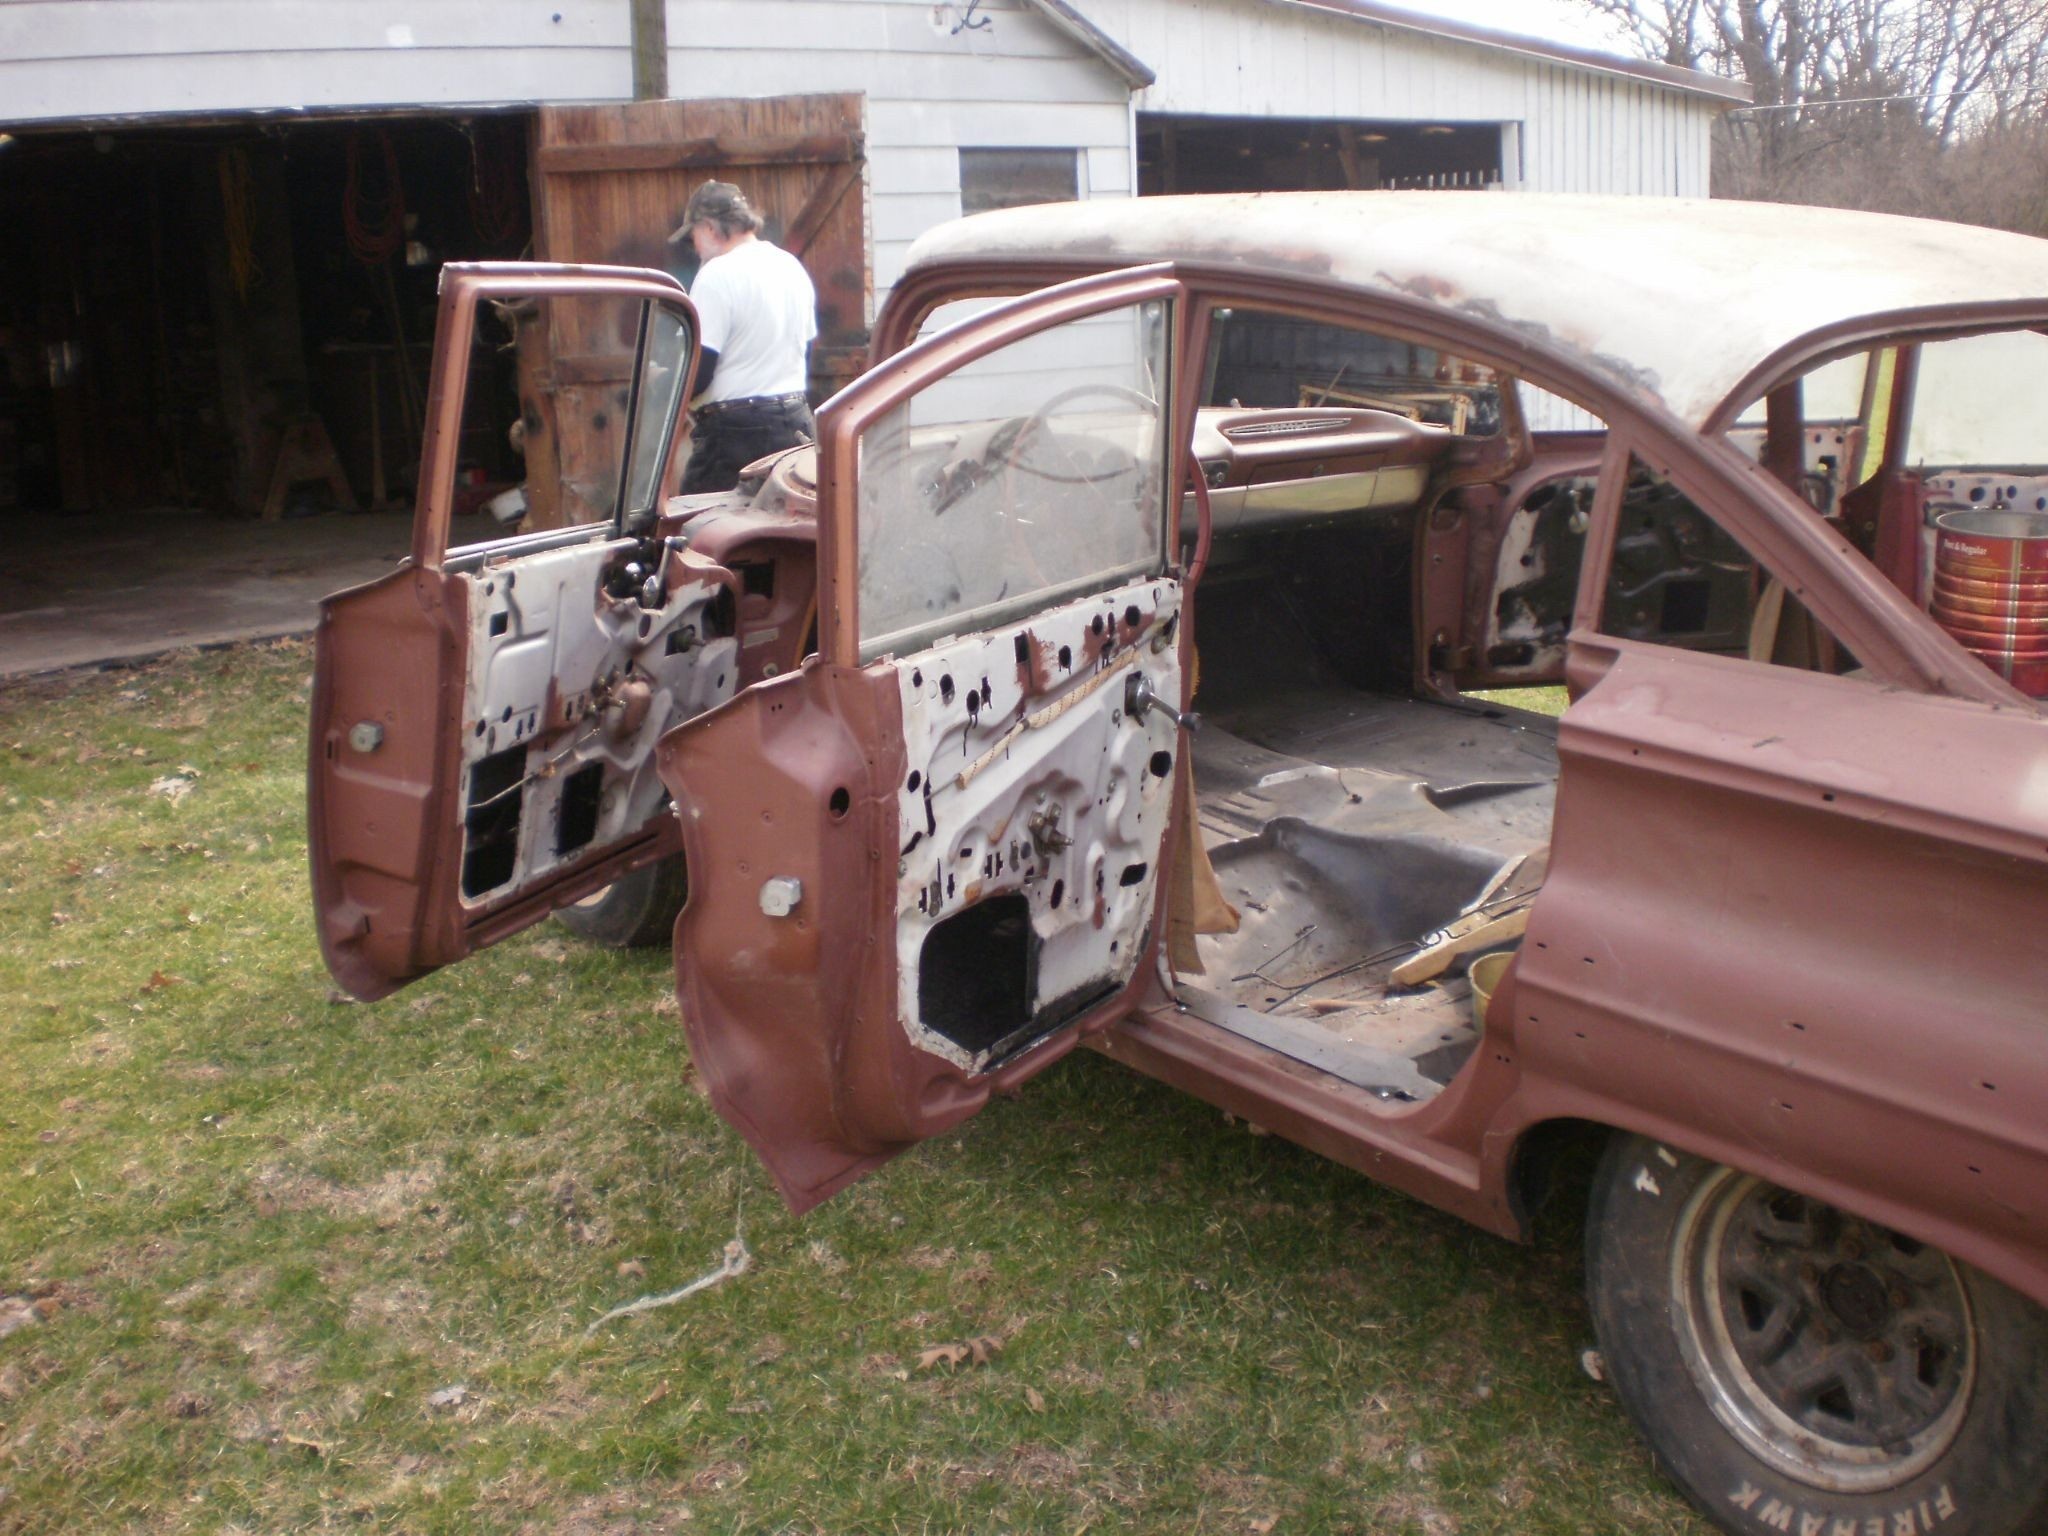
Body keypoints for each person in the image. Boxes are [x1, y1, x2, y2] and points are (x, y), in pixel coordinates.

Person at [668, 180, 819, 494]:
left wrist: (669, 387)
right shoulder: (791, 267)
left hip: (733, 438)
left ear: (710, 228)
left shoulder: (716, 275)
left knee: (699, 521)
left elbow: (701, 369)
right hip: (796, 427)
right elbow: (804, 354)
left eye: (694, 237)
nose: (695, 249)